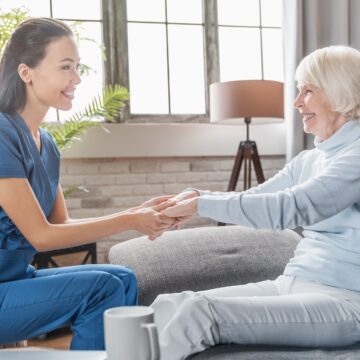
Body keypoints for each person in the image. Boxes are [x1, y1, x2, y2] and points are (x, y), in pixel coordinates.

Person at [152, 45, 360, 359]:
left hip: (345, 300)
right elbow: (253, 198)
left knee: (199, 313)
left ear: (339, 92)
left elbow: (291, 207)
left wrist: (200, 205)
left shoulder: (355, 157)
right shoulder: (309, 159)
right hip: (291, 283)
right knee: (168, 305)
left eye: (308, 90)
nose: (296, 102)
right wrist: (197, 196)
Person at [0, 17, 175, 350]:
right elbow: (40, 235)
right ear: (27, 73)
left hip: (15, 280)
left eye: (77, 67)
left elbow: (59, 224)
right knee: (102, 288)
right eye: (66, 67)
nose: (77, 79)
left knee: (123, 278)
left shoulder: (47, 144)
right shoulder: (2, 133)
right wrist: (130, 220)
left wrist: (136, 212)